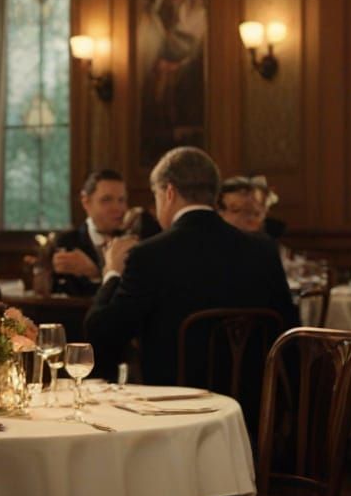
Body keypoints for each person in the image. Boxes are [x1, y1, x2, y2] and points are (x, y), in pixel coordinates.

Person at [84, 147, 299, 393]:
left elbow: (101, 336)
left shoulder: (150, 255)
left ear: (169, 193)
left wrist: (111, 271)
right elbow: (290, 333)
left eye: (155, 195)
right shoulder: (263, 251)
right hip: (247, 410)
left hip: (174, 411)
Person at [53, 170, 161, 295]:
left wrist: (96, 273)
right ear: (86, 202)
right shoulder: (68, 241)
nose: (118, 208)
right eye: (107, 200)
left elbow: (141, 292)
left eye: (121, 200)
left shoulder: (137, 240)